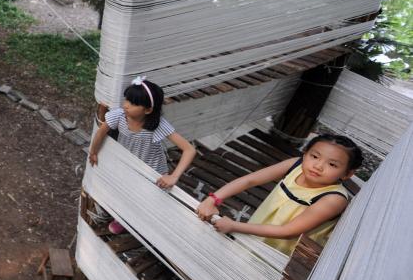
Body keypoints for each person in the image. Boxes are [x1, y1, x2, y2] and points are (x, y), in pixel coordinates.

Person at [196, 134, 361, 255]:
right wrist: (213, 199)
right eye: (314, 156)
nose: (318, 166)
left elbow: (288, 231)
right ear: (305, 154)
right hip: (256, 231)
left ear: (347, 174)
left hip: (282, 254)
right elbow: (250, 180)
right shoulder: (294, 165)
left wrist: (234, 226)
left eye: (332, 164)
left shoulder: (333, 199)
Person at [88, 77, 197, 233]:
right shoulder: (119, 115)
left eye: (133, 103)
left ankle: (132, 220)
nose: (126, 105)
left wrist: (173, 177)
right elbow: (101, 133)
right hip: (128, 163)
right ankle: (122, 217)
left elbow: (189, 149)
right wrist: (93, 152)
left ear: (148, 110)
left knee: (144, 197)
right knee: (125, 191)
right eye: (126, 100)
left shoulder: (157, 125)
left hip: (151, 169)